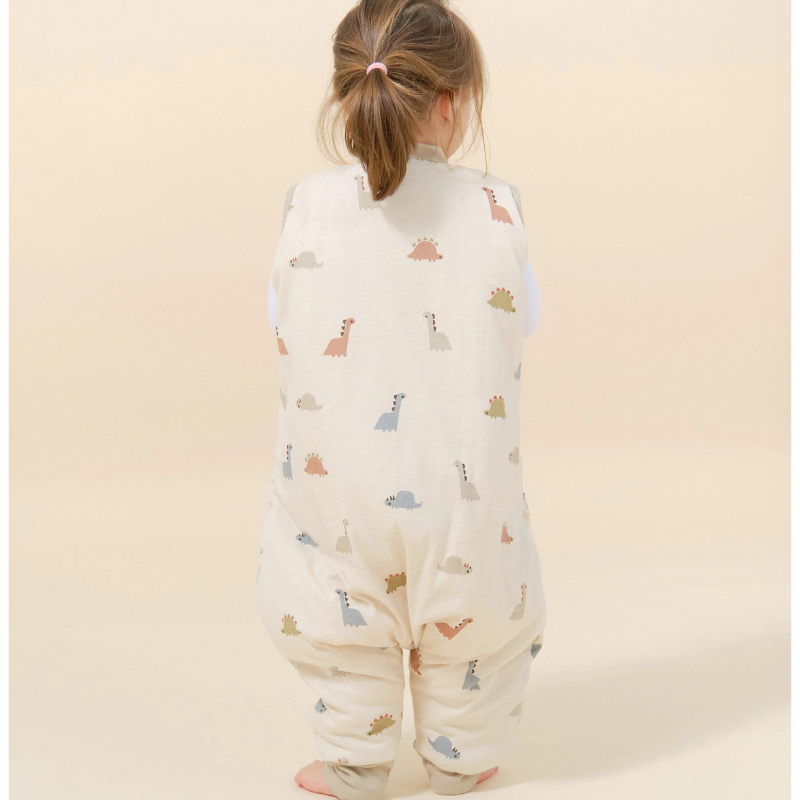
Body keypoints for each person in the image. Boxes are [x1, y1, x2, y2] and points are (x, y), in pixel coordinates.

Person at [255, 1, 546, 797]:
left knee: (336, 617)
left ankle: (355, 762)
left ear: (346, 97)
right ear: (450, 104)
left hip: (337, 498)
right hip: (465, 500)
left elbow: (281, 319)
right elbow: (526, 316)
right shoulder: (497, 209)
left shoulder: (306, 207)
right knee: (477, 619)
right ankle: (460, 756)